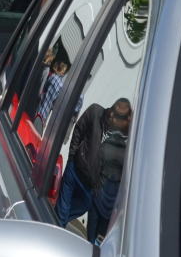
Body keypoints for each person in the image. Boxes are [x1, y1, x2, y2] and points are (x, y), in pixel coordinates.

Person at [55, 97, 133, 242]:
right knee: (63, 210)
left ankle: (54, 220)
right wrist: (72, 157)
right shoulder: (95, 112)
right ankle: (54, 234)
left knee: (79, 208)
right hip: (75, 171)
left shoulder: (123, 138)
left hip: (90, 187)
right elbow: (78, 129)